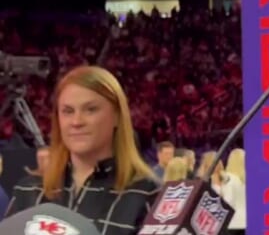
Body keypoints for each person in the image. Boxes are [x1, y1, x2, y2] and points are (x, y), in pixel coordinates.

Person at [4, 65, 160, 235]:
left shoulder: (147, 194)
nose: (76, 122)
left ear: (117, 115)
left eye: (90, 109)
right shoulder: (28, 190)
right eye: (68, 111)